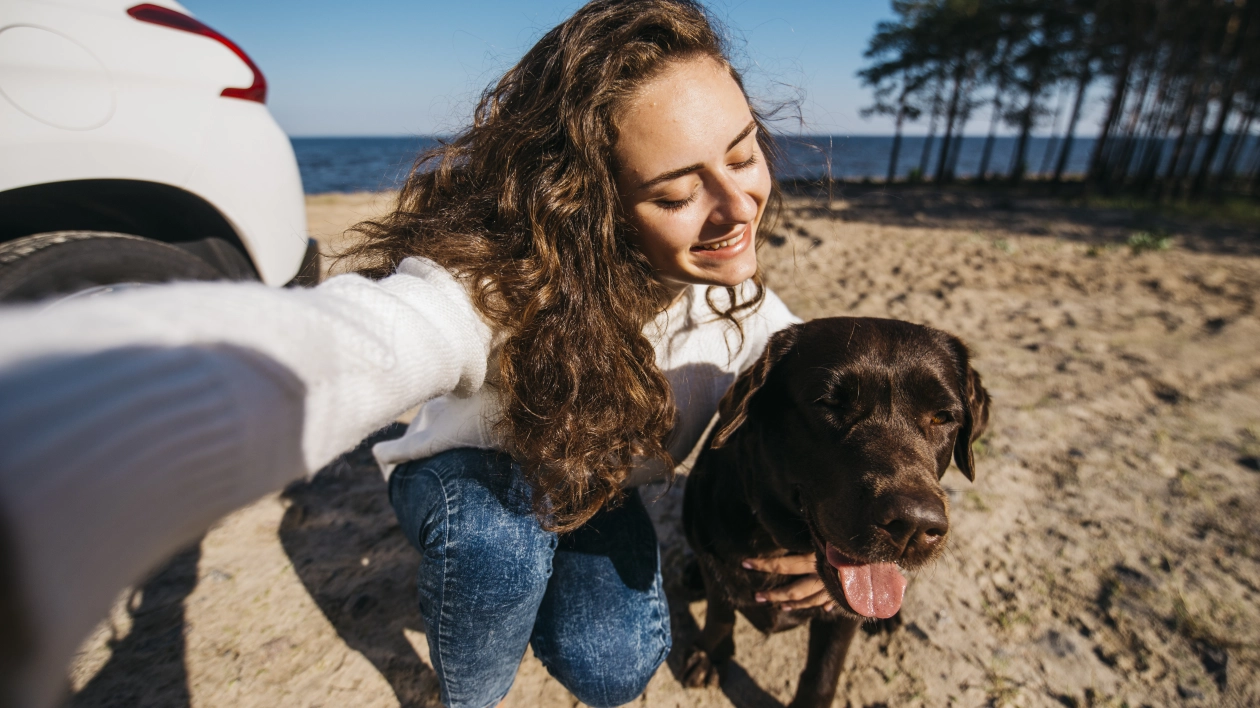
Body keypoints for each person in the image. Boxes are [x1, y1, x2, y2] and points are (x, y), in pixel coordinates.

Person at [0, 1, 832, 706]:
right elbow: (357, 341)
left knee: (613, 667)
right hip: (466, 474)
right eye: (676, 193)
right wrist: (100, 401)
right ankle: (468, 690)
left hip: (590, 491)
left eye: (742, 153)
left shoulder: (750, 315)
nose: (735, 207)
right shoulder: (500, 289)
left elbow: (845, 420)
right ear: (593, 203)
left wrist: (843, 551)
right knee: (499, 543)